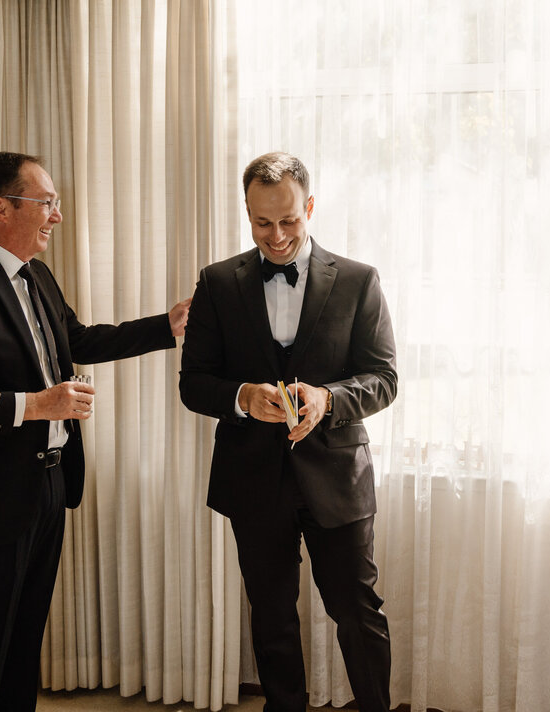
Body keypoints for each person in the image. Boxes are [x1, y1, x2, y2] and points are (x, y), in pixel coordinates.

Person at [0, 151, 190, 712]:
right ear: (0, 209)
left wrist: (166, 327)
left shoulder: (36, 276)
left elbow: (78, 341)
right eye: (47, 203)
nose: (57, 215)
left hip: (49, 485)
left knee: (24, 638)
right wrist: (34, 406)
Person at [180, 152, 397, 712]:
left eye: (289, 220)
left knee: (357, 610)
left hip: (337, 478)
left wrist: (328, 400)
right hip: (252, 480)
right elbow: (194, 384)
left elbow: (384, 378)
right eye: (261, 222)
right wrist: (243, 398)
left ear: (311, 207)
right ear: (246, 212)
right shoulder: (217, 283)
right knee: (272, 615)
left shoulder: (357, 280)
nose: (275, 236)